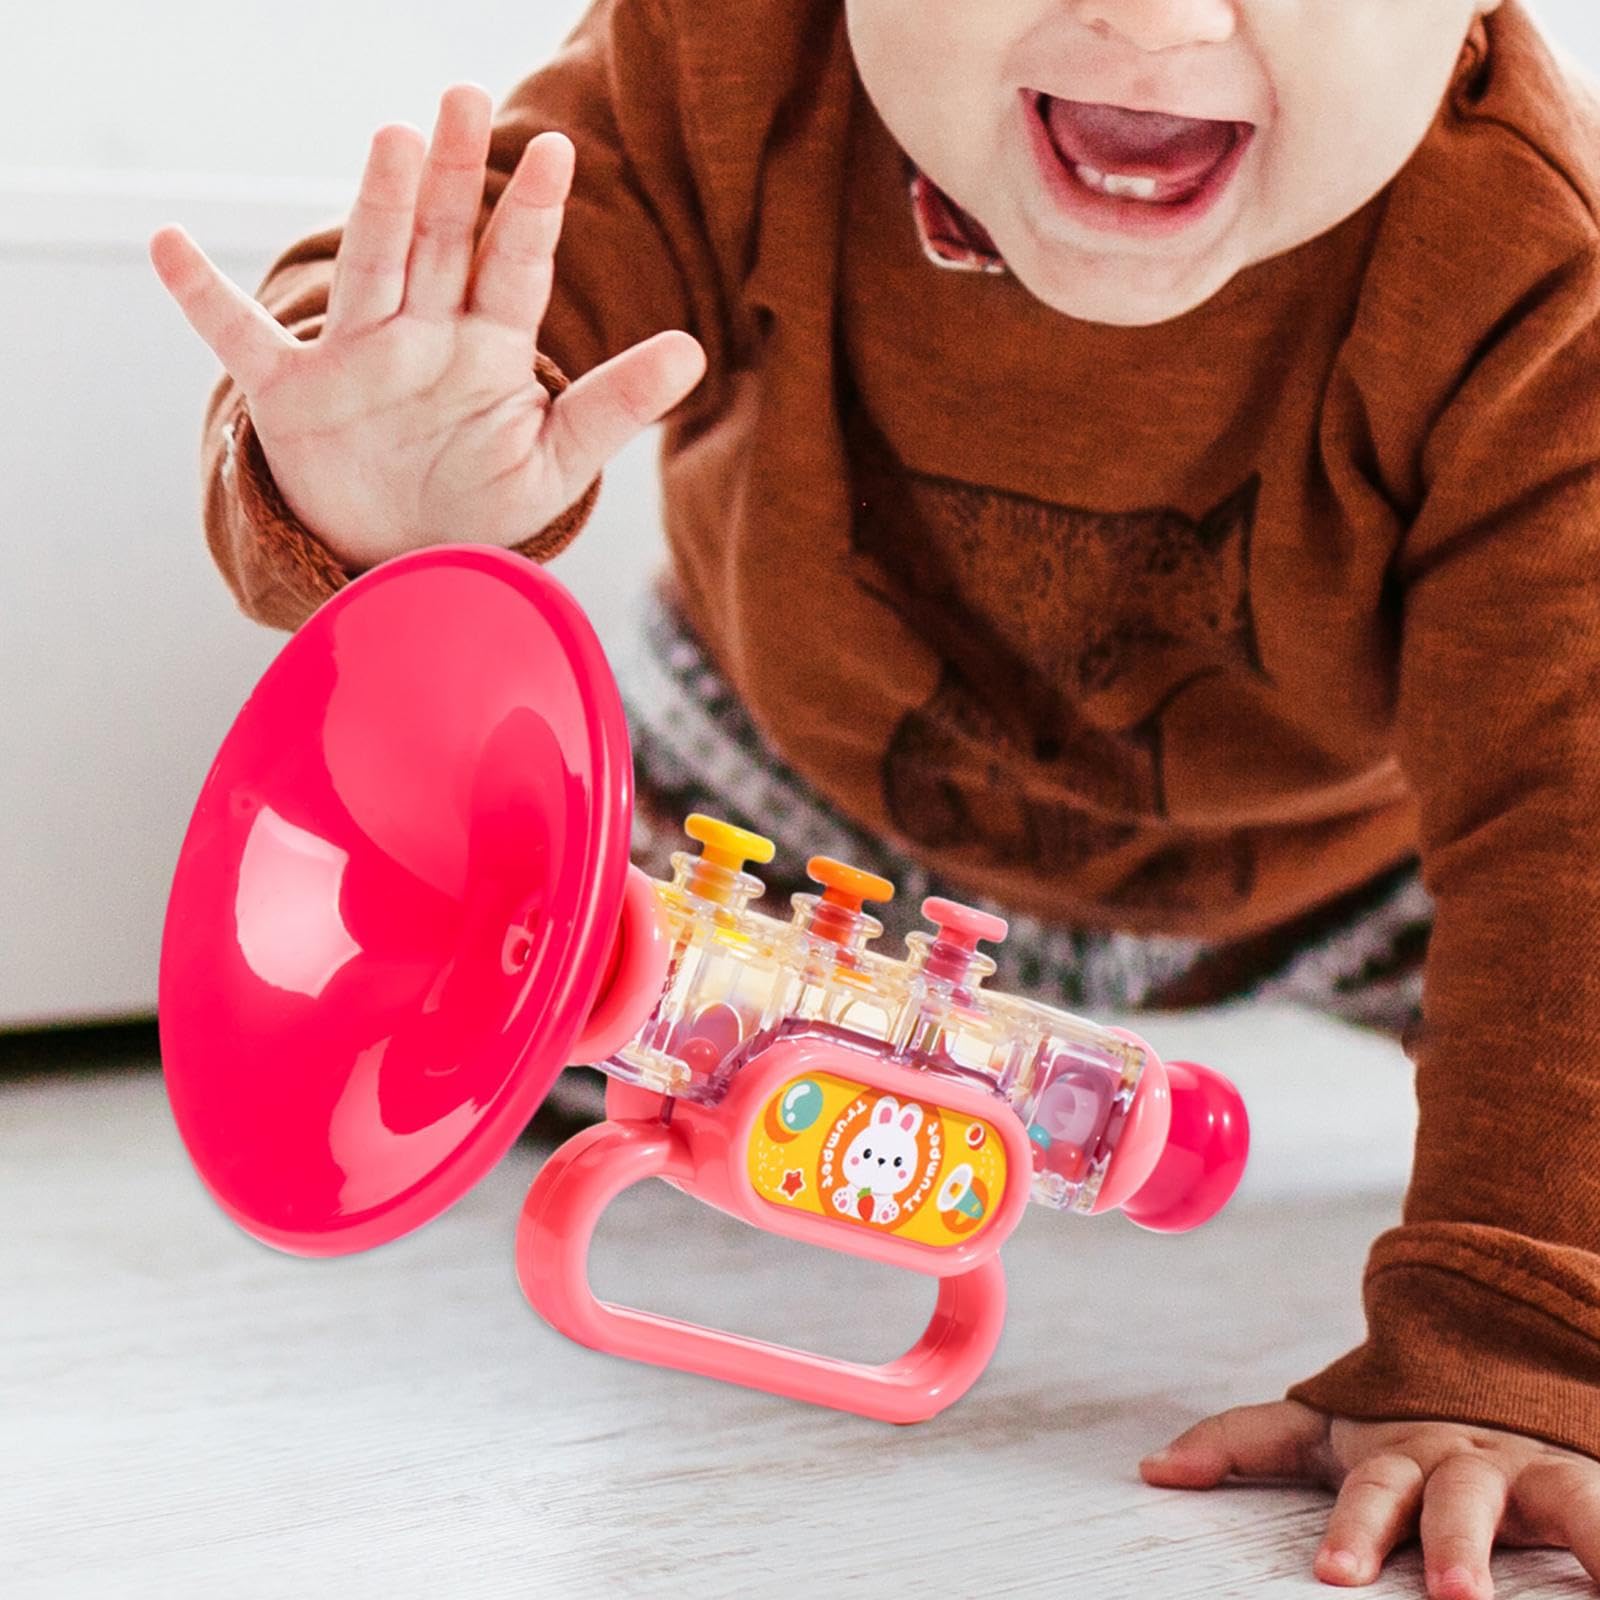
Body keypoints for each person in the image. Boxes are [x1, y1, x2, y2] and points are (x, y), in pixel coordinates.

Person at [148, 1, 1600, 1592]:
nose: (1154, 14)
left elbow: (1568, 820)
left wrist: (1509, 1333)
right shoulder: (725, 57)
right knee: (493, 918)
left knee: (1557, 1027)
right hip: (779, 806)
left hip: (1341, 877)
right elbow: (452, 302)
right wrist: (363, 484)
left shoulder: (1535, 275)